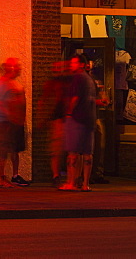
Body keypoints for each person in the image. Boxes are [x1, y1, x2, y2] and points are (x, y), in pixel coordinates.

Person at [0, 57, 29, 187]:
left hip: (14, 122)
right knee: (2, 150)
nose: (19, 70)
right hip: (3, 122)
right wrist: (8, 114)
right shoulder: (2, 84)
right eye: (17, 67)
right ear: (10, 68)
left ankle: (15, 175)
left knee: (14, 149)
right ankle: (0, 178)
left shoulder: (13, 83)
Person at [60, 53, 97, 192]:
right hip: (90, 119)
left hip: (77, 118)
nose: (71, 64)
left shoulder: (78, 78)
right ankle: (85, 184)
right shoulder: (90, 79)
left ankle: (70, 182)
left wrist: (69, 113)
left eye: (74, 62)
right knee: (87, 153)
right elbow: (91, 99)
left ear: (81, 64)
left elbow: (75, 98)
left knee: (73, 152)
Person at [38, 60, 70, 186]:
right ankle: (56, 175)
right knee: (56, 149)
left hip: (67, 119)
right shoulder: (51, 84)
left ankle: (68, 176)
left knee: (68, 149)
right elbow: (44, 100)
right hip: (57, 119)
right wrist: (42, 118)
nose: (57, 71)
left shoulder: (69, 83)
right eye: (55, 68)